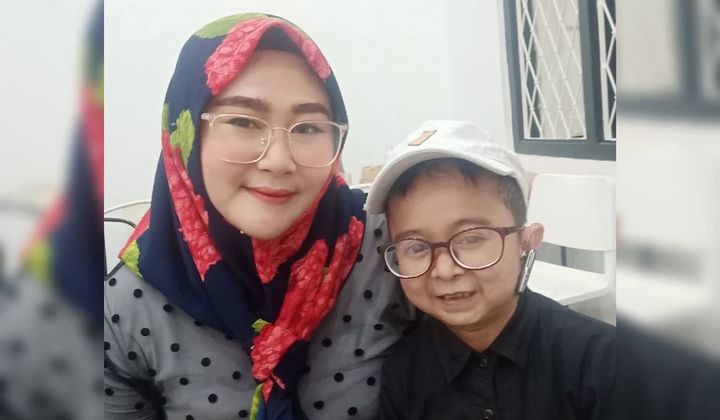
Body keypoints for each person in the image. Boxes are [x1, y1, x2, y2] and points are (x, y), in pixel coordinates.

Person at [103, 13, 415, 420]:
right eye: (243, 121)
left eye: (308, 128)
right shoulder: (126, 305)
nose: (279, 161)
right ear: (185, 132)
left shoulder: (390, 249)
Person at [366, 120, 616, 420]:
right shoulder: (403, 370)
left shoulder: (602, 360)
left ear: (526, 242)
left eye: (471, 238)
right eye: (417, 247)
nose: (445, 270)